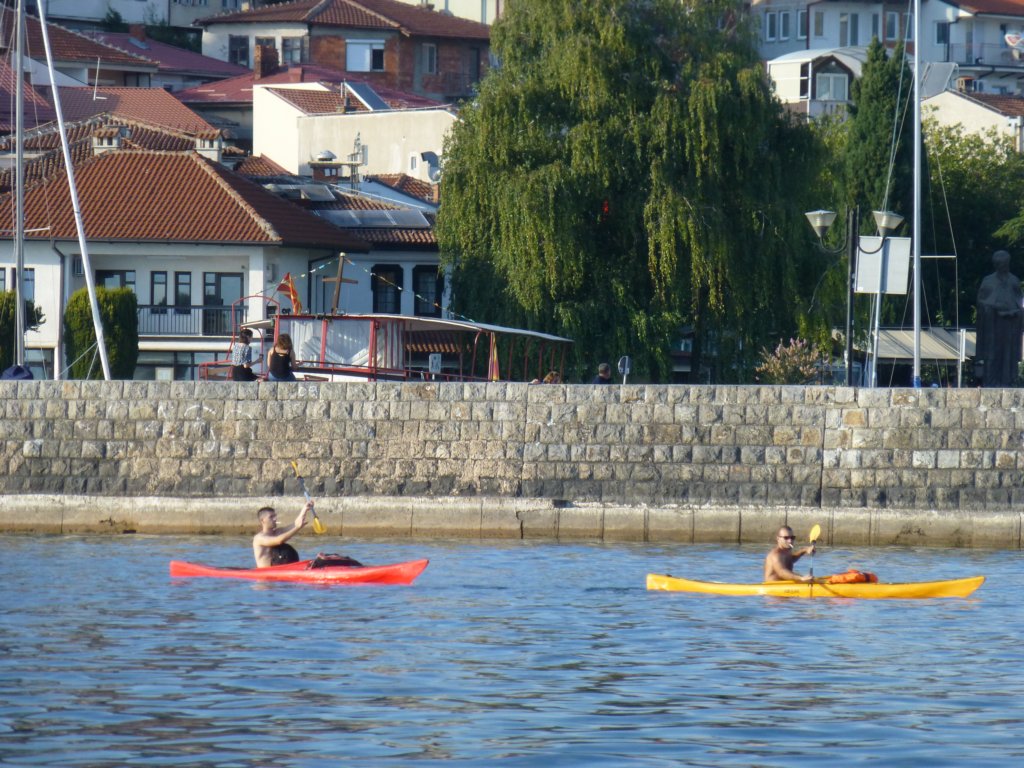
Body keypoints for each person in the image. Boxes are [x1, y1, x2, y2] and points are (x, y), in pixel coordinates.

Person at [975, 250, 1024, 387]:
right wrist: (994, 307)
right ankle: (991, 382)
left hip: (1010, 325)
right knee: (992, 353)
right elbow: (981, 303)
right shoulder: (988, 281)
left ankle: (1008, 381)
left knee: (1008, 355)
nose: (1003, 267)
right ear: (996, 265)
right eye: (1000, 264)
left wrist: (1016, 312)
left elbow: (1019, 302)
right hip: (993, 325)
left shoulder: (1014, 281)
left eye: (1005, 264)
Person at [253, 501, 312, 567]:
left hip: (277, 568)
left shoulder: (278, 532)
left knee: (287, 548)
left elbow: (295, 524)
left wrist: (304, 509)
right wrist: (297, 528)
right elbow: (279, 541)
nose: (275, 519)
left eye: (275, 516)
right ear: (262, 520)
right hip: (265, 571)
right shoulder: (259, 538)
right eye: (271, 517)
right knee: (284, 548)